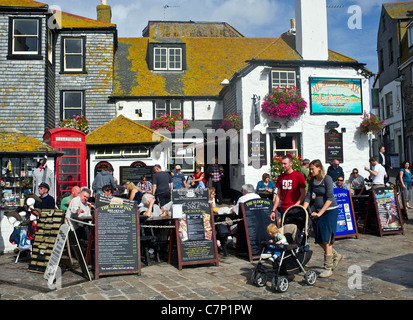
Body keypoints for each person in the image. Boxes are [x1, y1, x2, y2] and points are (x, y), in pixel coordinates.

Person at [303, 159, 342, 278]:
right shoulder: (312, 180)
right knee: (319, 239)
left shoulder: (327, 179)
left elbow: (330, 198)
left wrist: (320, 213)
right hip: (318, 211)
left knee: (327, 239)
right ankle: (335, 255)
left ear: (319, 168)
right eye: (310, 169)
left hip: (330, 211)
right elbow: (308, 197)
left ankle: (328, 268)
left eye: (312, 169)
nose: (310, 171)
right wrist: (303, 209)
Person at [270, 155, 306, 224]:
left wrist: (295, 206)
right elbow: (278, 195)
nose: (283, 166)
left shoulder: (299, 176)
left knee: (295, 231)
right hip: (283, 209)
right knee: (285, 232)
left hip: (295, 209)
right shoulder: (280, 177)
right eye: (282, 164)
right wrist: (273, 210)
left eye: (285, 164)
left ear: (291, 164)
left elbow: (303, 194)